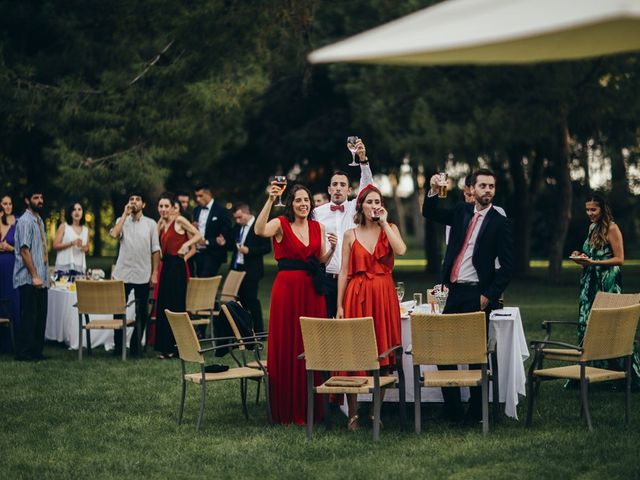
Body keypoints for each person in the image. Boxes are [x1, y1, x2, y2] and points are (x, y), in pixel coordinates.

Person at [422, 168, 513, 423]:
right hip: (450, 291)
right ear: (472, 189)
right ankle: (452, 408)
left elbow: (507, 266)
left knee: (475, 354)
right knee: (443, 351)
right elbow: (430, 212)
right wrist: (431, 191)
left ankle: (475, 411)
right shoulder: (462, 211)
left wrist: (489, 295)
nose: (487, 190)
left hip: (477, 294)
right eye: (483, 186)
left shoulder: (500, 221)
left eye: (491, 186)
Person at [255, 182, 337, 425]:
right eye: (298, 200)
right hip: (287, 289)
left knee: (312, 342)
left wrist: (332, 249)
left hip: (312, 290)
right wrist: (270, 200)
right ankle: (286, 407)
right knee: (288, 342)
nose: (303, 204)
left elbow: (320, 259)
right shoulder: (280, 224)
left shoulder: (318, 227)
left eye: (307, 200)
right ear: (290, 203)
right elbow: (259, 230)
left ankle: (314, 407)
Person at [336, 184, 407, 431]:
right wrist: (339, 305)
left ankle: (377, 413)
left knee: (384, 354)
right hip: (356, 296)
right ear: (361, 206)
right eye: (369, 202)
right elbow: (344, 272)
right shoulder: (350, 234)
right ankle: (353, 415)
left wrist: (385, 223)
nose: (374, 206)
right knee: (354, 353)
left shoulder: (390, 229)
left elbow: (401, 250)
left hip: (384, 296)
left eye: (378, 202)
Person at [570, 193, 640, 385]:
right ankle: (591, 372)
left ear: (602, 209)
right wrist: (581, 256)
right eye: (587, 210)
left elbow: (620, 259)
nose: (590, 213)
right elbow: (591, 254)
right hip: (590, 282)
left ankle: (621, 375)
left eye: (594, 209)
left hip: (607, 282)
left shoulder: (612, 228)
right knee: (589, 324)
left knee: (610, 325)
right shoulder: (592, 228)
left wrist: (593, 262)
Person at [314, 138, 373, 317]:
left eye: (342, 185)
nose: (338, 188)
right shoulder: (317, 213)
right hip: (326, 278)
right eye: (335, 185)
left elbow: (368, 185)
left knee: (351, 322)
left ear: (349, 190)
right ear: (329, 189)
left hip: (351, 278)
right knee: (325, 324)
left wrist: (363, 161)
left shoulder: (355, 207)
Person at [110, 192, 160, 357]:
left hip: (142, 274)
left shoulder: (151, 224)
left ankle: (136, 347)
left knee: (141, 313)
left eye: (138, 199)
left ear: (143, 204)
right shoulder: (121, 220)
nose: (134, 202)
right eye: (131, 199)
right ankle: (118, 348)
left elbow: (155, 250)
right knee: (118, 311)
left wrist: (154, 273)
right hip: (122, 274)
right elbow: (114, 234)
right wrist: (124, 215)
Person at [154, 192, 202, 359]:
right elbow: (155, 243)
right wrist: (159, 224)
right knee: (163, 306)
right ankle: (164, 347)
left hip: (177, 267)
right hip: (166, 266)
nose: (163, 209)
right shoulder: (161, 224)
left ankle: (176, 347)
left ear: (173, 207)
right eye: (161, 206)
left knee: (175, 305)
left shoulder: (180, 220)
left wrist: (186, 245)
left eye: (166, 206)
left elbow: (198, 235)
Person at [220, 203, 271, 333]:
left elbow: (267, 248)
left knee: (251, 300)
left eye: (239, 217)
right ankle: (243, 330)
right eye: (235, 218)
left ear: (247, 213)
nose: (237, 221)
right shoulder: (238, 226)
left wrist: (249, 250)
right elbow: (231, 243)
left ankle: (259, 331)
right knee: (238, 301)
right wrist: (224, 242)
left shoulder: (257, 226)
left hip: (252, 270)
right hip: (237, 267)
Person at [13, 187, 49, 361]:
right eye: (36, 197)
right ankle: (24, 353)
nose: (40, 200)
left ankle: (36, 352)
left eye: (41, 197)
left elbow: (40, 250)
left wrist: (45, 276)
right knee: (29, 317)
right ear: (28, 200)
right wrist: (34, 275)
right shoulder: (25, 221)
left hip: (41, 278)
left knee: (40, 317)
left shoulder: (39, 220)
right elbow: (25, 251)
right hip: (28, 279)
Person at [192, 184, 231, 277]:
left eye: (200, 196)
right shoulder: (196, 210)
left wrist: (207, 242)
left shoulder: (221, 211)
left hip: (213, 253)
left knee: (205, 278)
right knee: (198, 277)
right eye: (196, 196)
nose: (197, 199)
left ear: (208, 194)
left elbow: (226, 231)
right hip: (198, 253)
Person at [0, 195, 19, 353]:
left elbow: (23, 247)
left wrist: (9, 248)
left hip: (12, 265)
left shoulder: (17, 222)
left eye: (10, 203)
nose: (7, 206)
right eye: (4, 204)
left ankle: (13, 342)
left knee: (12, 299)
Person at [53, 202, 90, 277]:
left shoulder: (86, 230)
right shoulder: (64, 226)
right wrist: (72, 243)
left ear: (82, 212)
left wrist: (85, 249)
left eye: (79, 209)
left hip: (79, 268)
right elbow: (55, 246)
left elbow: (87, 250)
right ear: (70, 213)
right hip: (64, 268)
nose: (77, 212)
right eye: (74, 209)